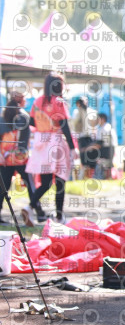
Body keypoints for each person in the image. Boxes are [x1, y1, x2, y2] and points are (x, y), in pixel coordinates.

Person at [22, 73, 78, 226]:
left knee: (46, 182)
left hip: (41, 144)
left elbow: (32, 121)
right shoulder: (58, 102)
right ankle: (59, 216)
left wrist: (43, 126)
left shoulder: (38, 101)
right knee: (60, 181)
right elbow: (64, 126)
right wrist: (73, 148)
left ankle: (29, 206)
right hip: (56, 142)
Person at [0, 91, 39, 224]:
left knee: (3, 187)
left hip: (5, 157)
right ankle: (38, 211)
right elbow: (24, 140)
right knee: (30, 184)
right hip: (20, 157)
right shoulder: (23, 116)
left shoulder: (3, 115)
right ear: (21, 100)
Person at [71, 97, 97, 179]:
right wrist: (80, 111)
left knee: (91, 157)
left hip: (90, 137)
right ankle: (83, 175)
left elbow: (94, 124)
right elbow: (75, 123)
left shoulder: (91, 111)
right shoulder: (76, 112)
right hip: (81, 137)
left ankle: (90, 175)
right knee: (83, 157)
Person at [92, 113, 116, 180]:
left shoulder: (103, 129)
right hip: (110, 151)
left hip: (105, 152)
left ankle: (98, 177)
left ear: (102, 119)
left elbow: (99, 144)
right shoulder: (109, 127)